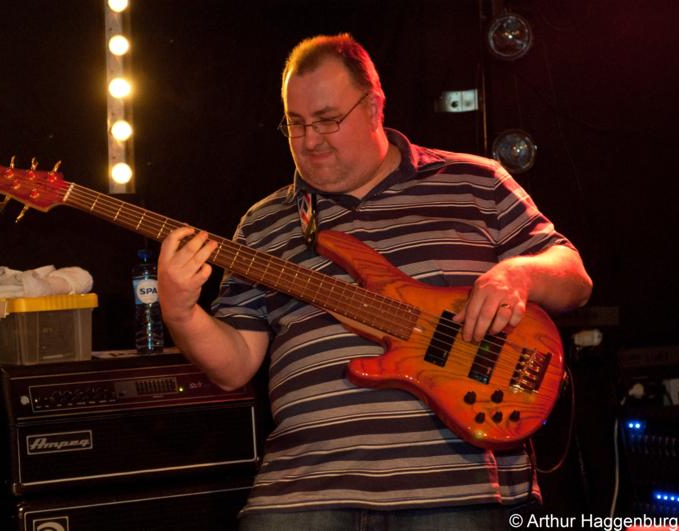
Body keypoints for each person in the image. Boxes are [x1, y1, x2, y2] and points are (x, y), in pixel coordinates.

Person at [157, 33, 592, 530]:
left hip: (456, 488)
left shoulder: (476, 181)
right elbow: (234, 366)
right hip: (303, 493)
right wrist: (180, 312)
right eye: (295, 123)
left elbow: (574, 277)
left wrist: (518, 274)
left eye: (327, 120)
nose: (310, 140)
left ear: (373, 106)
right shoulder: (263, 223)